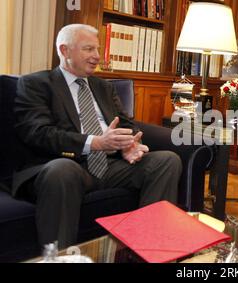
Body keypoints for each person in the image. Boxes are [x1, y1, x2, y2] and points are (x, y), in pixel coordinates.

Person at [13, 24, 182, 248]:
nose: (96, 56)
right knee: (62, 170)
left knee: (166, 160)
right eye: (88, 49)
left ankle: (148, 248)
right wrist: (95, 142)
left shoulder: (103, 87)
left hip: (109, 166)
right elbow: (38, 133)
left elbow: (126, 123)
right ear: (64, 51)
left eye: (97, 49)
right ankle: (60, 259)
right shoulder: (36, 84)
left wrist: (130, 144)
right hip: (67, 164)